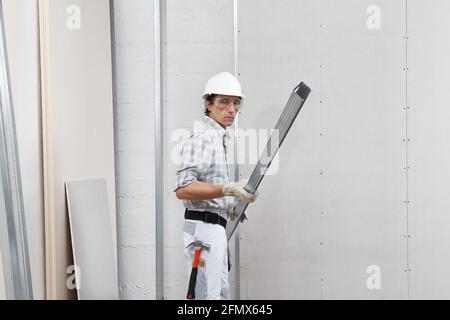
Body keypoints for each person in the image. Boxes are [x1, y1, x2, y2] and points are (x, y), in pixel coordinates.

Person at [174, 72, 258, 300]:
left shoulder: (219, 137)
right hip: (203, 230)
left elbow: (208, 184)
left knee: (219, 295)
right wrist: (227, 190)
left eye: (236, 102)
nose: (232, 109)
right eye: (223, 102)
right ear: (208, 103)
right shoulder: (204, 138)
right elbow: (183, 189)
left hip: (213, 228)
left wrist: (229, 205)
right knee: (206, 298)